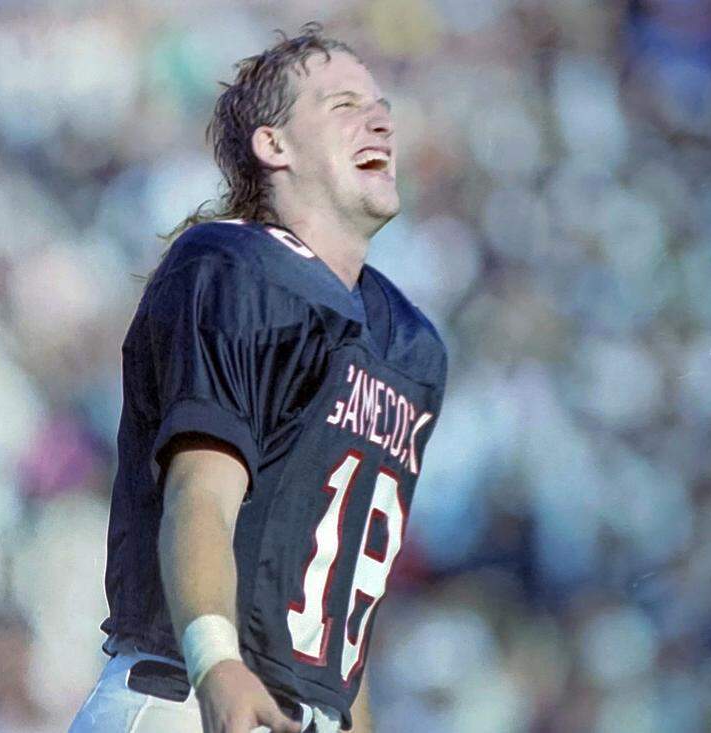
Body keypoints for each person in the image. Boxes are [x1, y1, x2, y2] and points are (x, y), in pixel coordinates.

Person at [70, 23, 447, 733]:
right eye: (342, 105)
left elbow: (336, 618)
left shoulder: (409, 342)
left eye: (381, 105)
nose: (380, 119)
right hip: (190, 695)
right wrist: (218, 662)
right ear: (274, 145)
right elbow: (202, 492)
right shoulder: (240, 266)